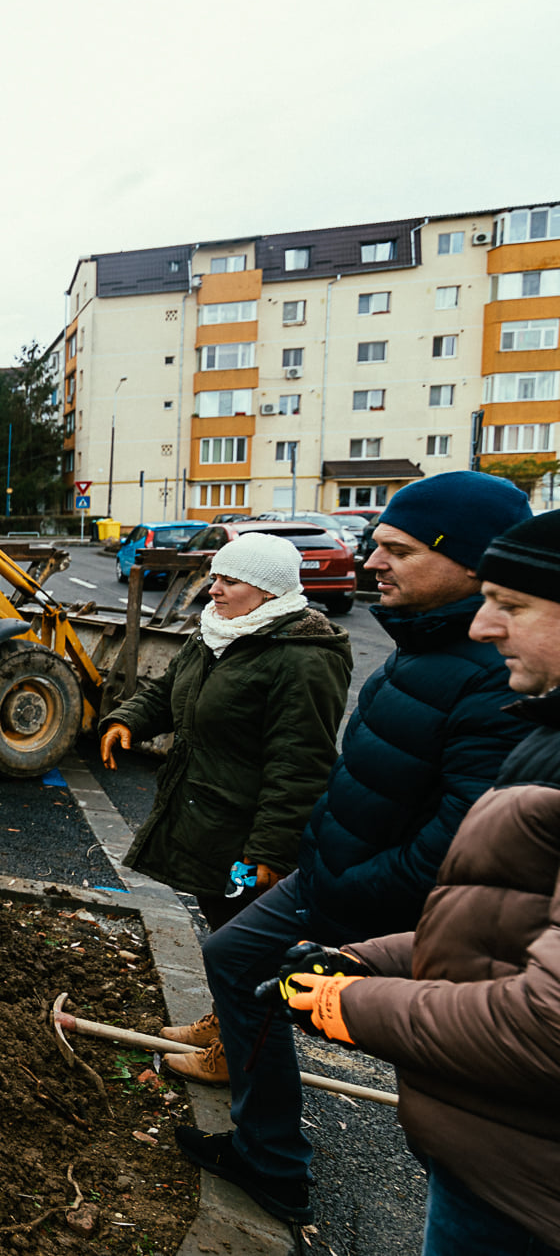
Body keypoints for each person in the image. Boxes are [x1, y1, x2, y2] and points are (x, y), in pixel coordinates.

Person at [163, 475, 532, 1228]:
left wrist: (350, 888)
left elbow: (459, 841)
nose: (372, 564)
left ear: (465, 561)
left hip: (365, 896)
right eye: (375, 546)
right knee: (237, 960)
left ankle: (278, 1164)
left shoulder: (487, 676)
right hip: (330, 872)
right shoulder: (423, 640)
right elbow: (364, 772)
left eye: (396, 550)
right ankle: (268, 1153)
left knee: (271, 981)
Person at [261, 506, 560, 1255]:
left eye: (513, 606)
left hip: (526, 1192)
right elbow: (506, 921)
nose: (485, 627)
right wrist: (371, 958)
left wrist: (351, 1003)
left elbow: (545, 1023)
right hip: (495, 1156)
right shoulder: (547, 732)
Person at [99, 533, 353, 928]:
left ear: (268, 592)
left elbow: (300, 763)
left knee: (246, 943)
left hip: (246, 834)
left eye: (229, 582)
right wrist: (127, 719)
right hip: (207, 819)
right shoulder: (218, 630)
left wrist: (271, 849)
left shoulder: (304, 658)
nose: (213, 590)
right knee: (221, 926)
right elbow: (170, 689)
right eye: (215, 577)